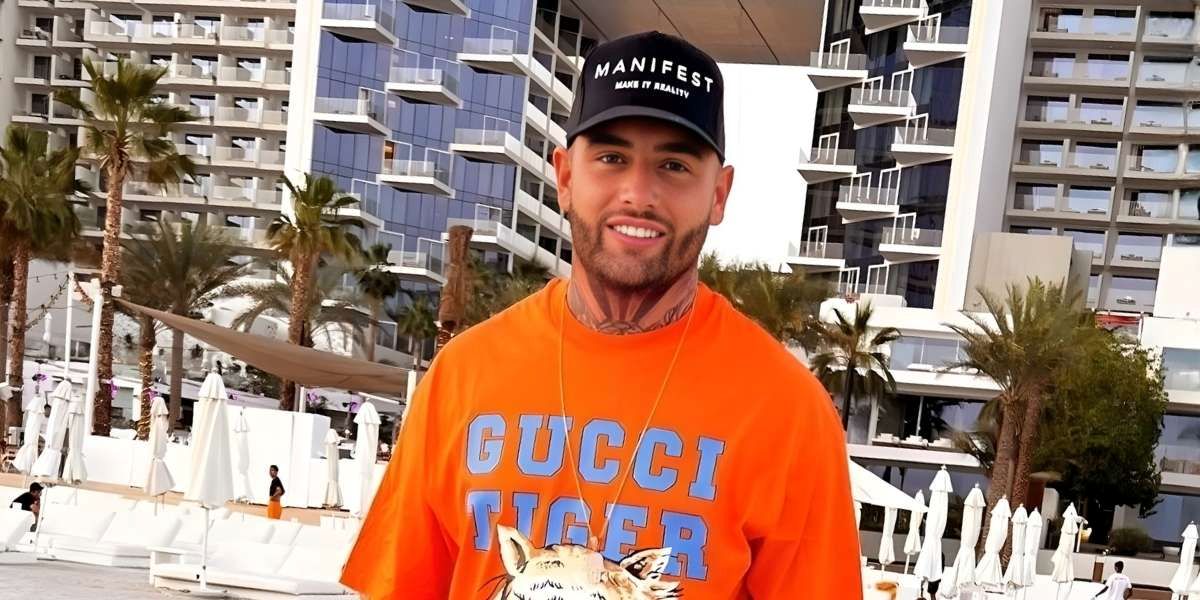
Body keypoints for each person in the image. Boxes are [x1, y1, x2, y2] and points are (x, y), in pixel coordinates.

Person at [341, 31, 861, 599]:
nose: (638, 193)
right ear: (566, 177)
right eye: (612, 158)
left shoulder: (788, 411)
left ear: (719, 193)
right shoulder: (463, 377)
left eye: (674, 165)